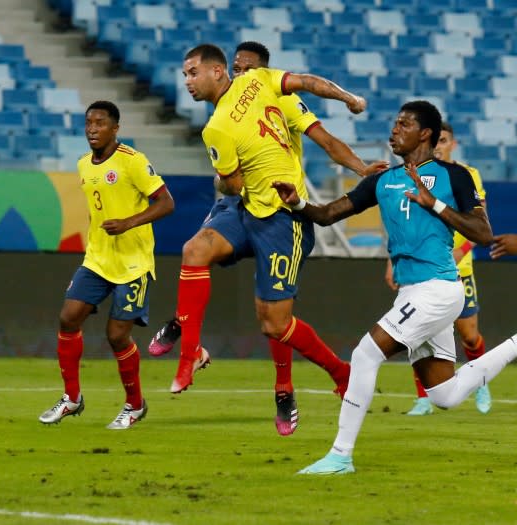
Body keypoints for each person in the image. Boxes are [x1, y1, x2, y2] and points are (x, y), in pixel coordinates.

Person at [147, 41, 388, 436]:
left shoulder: (260, 95)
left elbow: (317, 132)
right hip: (247, 209)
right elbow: (236, 188)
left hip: (284, 216)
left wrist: (359, 157)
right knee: (195, 250)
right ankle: (189, 348)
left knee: (275, 324)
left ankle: (338, 373)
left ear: (219, 71)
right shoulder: (226, 116)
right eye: (185, 75)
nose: (187, 82)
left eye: (193, 73)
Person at [273, 100, 517, 475]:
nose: (393, 130)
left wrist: (434, 204)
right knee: (446, 395)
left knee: (365, 355)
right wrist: (299, 201)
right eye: (394, 123)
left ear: (426, 134)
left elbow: (483, 233)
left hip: (437, 289)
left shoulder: (455, 176)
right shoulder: (382, 180)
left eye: (403, 124)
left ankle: (340, 455)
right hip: (413, 291)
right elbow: (327, 215)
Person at [38, 100, 175, 430]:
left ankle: (135, 404)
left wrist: (129, 223)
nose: (92, 129)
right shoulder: (84, 164)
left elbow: (167, 203)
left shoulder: (134, 162)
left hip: (133, 263)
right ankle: (72, 398)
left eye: (100, 123)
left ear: (116, 129)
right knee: (68, 318)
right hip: (98, 259)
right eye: (88, 123)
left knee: (117, 336)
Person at [384, 122, 491, 416]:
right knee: (415, 332)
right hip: (421, 268)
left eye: (444, 140)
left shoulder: (467, 176)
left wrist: (462, 250)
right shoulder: (414, 173)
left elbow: (482, 225)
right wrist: (391, 262)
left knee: (469, 336)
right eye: (436, 141)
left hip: (459, 268)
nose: (440, 146)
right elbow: (400, 223)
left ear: (452, 144)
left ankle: (481, 382)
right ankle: (423, 398)